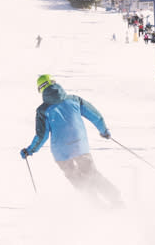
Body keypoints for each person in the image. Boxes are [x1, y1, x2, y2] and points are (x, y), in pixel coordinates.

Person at [20, 75, 122, 206]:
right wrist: (104, 131)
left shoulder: (43, 110)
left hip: (61, 152)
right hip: (79, 146)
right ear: (54, 83)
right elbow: (95, 116)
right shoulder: (74, 100)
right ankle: (116, 200)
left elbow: (41, 136)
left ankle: (97, 206)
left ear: (41, 90)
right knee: (91, 174)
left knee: (77, 179)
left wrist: (30, 150)